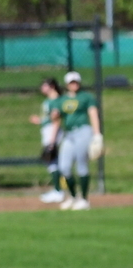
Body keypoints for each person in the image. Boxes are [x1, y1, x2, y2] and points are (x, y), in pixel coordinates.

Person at [49, 71, 102, 211]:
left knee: (81, 165)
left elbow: (93, 114)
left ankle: (84, 200)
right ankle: (73, 197)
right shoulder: (61, 100)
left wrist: (97, 134)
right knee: (64, 167)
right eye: (71, 82)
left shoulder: (86, 97)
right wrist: (52, 139)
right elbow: (55, 120)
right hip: (69, 134)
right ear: (67, 84)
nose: (74, 84)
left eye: (76, 82)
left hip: (83, 131)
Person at [29, 78, 63, 203]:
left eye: (44, 85)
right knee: (52, 161)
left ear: (52, 86)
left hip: (52, 131)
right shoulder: (49, 100)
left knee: (53, 161)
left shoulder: (56, 100)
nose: (42, 88)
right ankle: (57, 190)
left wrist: (52, 140)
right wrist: (39, 120)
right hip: (48, 130)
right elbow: (48, 118)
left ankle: (58, 191)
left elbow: (56, 120)